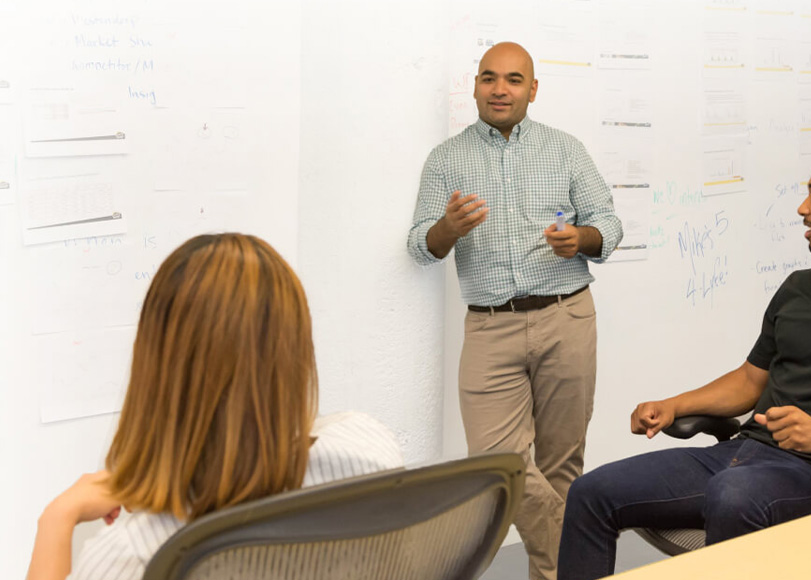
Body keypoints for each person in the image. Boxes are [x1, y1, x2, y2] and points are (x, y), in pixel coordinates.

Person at [557, 147, 811, 580]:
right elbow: (751, 380)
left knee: (734, 496)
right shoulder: (800, 288)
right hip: (742, 455)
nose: (803, 209)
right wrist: (676, 404)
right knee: (590, 492)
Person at [27, 233, 403, 580]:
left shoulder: (138, 553)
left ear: (157, 366)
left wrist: (57, 519)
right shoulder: (368, 448)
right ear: (296, 350)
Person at [407, 42, 622, 580]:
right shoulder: (446, 159)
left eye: (513, 79)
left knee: (561, 466)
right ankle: (584, 553)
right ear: (475, 86)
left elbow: (609, 224)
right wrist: (447, 230)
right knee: (501, 468)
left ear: (532, 89)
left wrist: (582, 238)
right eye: (488, 78)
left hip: (566, 316)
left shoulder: (566, 150)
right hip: (488, 327)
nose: (499, 89)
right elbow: (419, 246)